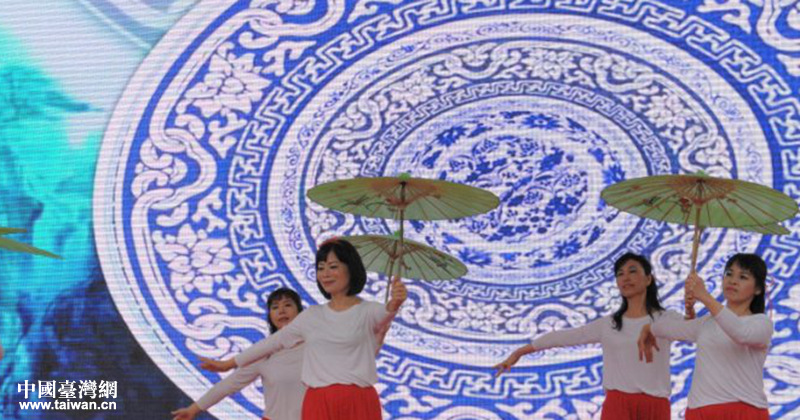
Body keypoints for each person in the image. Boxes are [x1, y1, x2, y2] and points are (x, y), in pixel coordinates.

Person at [201, 238, 407, 420]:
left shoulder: (368, 311)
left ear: (351, 268)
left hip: (358, 401)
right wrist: (228, 364)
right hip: (318, 402)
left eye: (333, 266)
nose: (326, 274)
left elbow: (385, 312)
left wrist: (395, 301)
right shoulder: (311, 316)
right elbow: (272, 343)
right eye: (321, 268)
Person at [495, 252, 680, 420]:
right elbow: (564, 337)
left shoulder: (666, 319)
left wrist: (692, 307)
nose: (626, 278)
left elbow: (691, 330)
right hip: (618, 407)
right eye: (620, 274)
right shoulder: (608, 325)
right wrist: (520, 352)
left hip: (656, 408)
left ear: (648, 279)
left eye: (633, 271)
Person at [639, 253, 772, 420]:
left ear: (758, 289)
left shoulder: (762, 323)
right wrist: (650, 328)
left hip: (745, 411)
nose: (733, 281)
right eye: (729, 274)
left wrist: (704, 296)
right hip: (700, 411)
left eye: (743, 277)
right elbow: (673, 328)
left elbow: (740, 333)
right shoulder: (706, 323)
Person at [171, 288, 307, 420]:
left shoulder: (315, 346)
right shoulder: (262, 354)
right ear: (270, 317)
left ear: (300, 312)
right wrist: (193, 410)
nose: (281, 311)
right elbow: (228, 385)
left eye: (288, 305)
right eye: (275, 307)